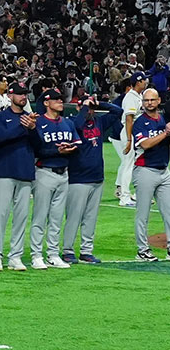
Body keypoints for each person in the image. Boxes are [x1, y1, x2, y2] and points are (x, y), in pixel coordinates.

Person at [63, 95, 122, 264]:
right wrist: (83, 108)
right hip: (78, 178)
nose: (89, 111)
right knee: (74, 216)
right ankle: (67, 250)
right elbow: (78, 125)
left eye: (90, 108)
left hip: (97, 177)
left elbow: (118, 111)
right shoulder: (72, 122)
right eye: (86, 107)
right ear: (78, 108)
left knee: (91, 217)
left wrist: (98, 103)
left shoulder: (99, 122)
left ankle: (86, 250)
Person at [28, 90, 81, 269]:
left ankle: (52, 253)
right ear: (46, 103)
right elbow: (37, 150)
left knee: (57, 217)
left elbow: (77, 143)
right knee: (40, 216)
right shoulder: (39, 122)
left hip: (64, 173)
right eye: (56, 99)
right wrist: (57, 151)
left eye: (61, 99)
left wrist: (70, 147)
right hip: (44, 172)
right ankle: (36, 255)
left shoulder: (67, 122)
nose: (60, 101)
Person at [0, 83, 38, 271]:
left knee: (21, 216)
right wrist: (24, 127)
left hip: (25, 171)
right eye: (19, 94)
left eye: (25, 94)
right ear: (10, 96)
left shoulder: (31, 119)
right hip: (4, 170)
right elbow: (1, 138)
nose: (23, 97)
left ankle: (15, 256)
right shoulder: (1, 117)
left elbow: (38, 144)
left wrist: (32, 129)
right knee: (1, 215)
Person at [131, 88, 170, 262]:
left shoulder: (163, 120)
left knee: (168, 212)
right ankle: (142, 250)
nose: (149, 103)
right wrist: (166, 133)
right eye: (146, 100)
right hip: (145, 170)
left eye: (152, 100)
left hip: (163, 171)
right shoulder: (140, 122)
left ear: (158, 100)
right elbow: (146, 144)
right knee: (143, 213)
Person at [117, 71, 147, 207]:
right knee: (128, 165)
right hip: (130, 132)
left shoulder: (139, 96)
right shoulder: (130, 97)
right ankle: (124, 197)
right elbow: (129, 120)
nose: (146, 82)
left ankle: (130, 193)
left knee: (135, 165)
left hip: (136, 133)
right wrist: (129, 140)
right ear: (138, 82)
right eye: (144, 80)